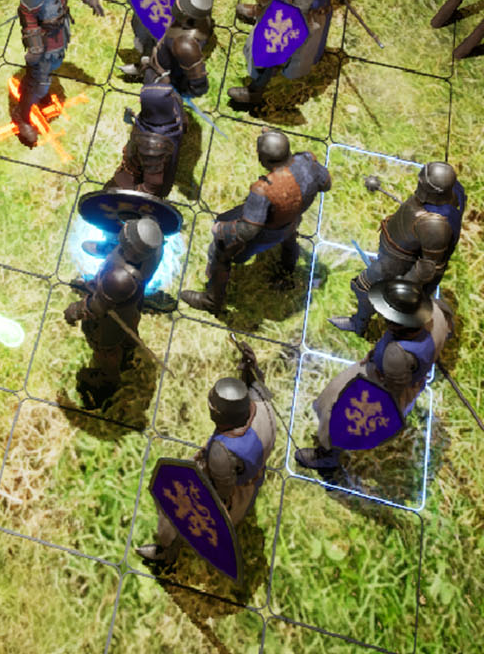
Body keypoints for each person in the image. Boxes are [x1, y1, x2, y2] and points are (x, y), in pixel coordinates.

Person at [297, 277, 449, 472]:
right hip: (409, 375)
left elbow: (392, 391)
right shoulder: (436, 312)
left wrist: (382, 361)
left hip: (380, 383)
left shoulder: (396, 355)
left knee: (334, 413)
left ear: (398, 324)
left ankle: (328, 455)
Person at [180, 130, 331, 314]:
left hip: (268, 232)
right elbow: (326, 184)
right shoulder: (308, 162)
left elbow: (249, 229)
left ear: (264, 160)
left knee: (221, 253)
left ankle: (212, 301)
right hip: (292, 220)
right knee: (289, 237)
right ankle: (287, 270)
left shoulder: (263, 189)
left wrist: (221, 229)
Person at [137, 369, 276, 566]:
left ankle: (167, 552)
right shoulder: (262, 405)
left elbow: (221, 493)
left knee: (173, 505)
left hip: (234, 491)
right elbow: (256, 382)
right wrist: (249, 368)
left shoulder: (220, 454)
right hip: (253, 470)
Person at [332, 161, 467, 337]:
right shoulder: (448, 194)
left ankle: (359, 324)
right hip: (394, 251)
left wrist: (401, 287)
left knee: (363, 289)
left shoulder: (434, 225)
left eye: (423, 184)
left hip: (397, 262)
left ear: (435, 191)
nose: (419, 185)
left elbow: (428, 267)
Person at [13, 0, 104, 146]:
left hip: (59, 27)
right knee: (39, 80)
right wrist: (35, 47)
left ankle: (34, 87)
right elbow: (28, 15)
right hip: (44, 36)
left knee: (52, 64)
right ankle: (22, 116)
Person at [62, 220, 159, 410]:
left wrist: (74, 311)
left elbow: (96, 307)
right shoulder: (153, 249)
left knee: (106, 349)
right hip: (129, 305)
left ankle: (106, 382)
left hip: (112, 319)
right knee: (128, 333)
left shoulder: (119, 278)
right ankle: (128, 353)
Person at [130, 0, 214, 97]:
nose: (176, 1)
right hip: (163, 49)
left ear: (187, 14)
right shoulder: (199, 15)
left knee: (151, 91)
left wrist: (172, 89)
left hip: (165, 72)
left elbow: (199, 87)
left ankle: (146, 72)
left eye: (180, 5)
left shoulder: (185, 45)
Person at [107, 83, 185, 199]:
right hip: (142, 162)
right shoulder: (171, 111)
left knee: (107, 199)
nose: (139, 100)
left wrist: (131, 196)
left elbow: (152, 185)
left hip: (132, 180)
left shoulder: (152, 144)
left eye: (142, 99)